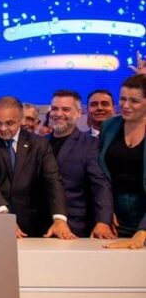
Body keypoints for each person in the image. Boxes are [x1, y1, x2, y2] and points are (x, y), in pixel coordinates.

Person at [0, 96, 75, 239]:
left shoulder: (39, 144)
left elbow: (53, 181)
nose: (2, 128)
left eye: (9, 123)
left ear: (21, 120)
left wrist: (59, 218)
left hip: (33, 225)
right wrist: (4, 216)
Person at [48, 90, 115, 238]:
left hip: (75, 229)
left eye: (65, 109)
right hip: (37, 228)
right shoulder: (39, 143)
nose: (58, 114)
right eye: (54, 108)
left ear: (78, 113)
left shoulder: (90, 145)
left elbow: (101, 185)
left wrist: (103, 221)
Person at [98, 74, 146, 238]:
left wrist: (143, 229)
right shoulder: (109, 126)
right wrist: (105, 212)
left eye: (134, 101)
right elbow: (100, 174)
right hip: (115, 218)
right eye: (122, 99)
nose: (126, 105)